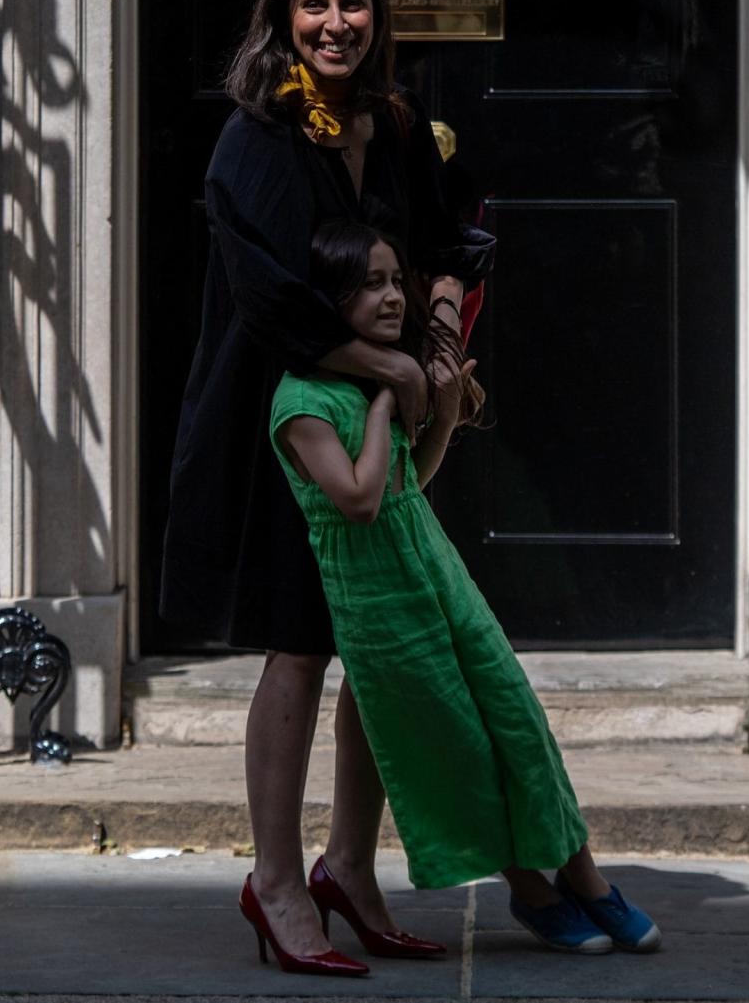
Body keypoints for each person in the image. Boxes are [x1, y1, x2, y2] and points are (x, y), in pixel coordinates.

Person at [161, 0, 494, 979]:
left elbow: (448, 237)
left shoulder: (392, 125)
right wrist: (385, 369)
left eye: (353, 4)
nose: (335, 24)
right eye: (315, 6)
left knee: (383, 645)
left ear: (376, 17)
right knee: (300, 643)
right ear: (280, 17)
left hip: (382, 424)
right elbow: (273, 302)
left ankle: (348, 863)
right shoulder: (252, 142)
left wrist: (437, 340)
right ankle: (271, 881)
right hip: (288, 419)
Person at [264, 218, 661, 965]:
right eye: (370, 284)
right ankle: (532, 890)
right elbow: (359, 497)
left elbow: (410, 479)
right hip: (380, 606)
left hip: (440, 574)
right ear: (330, 298)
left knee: (515, 715)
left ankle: (583, 872)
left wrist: (440, 412)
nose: (390, 298)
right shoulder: (305, 399)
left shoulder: (374, 372)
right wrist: (386, 399)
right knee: (454, 744)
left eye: (393, 281)